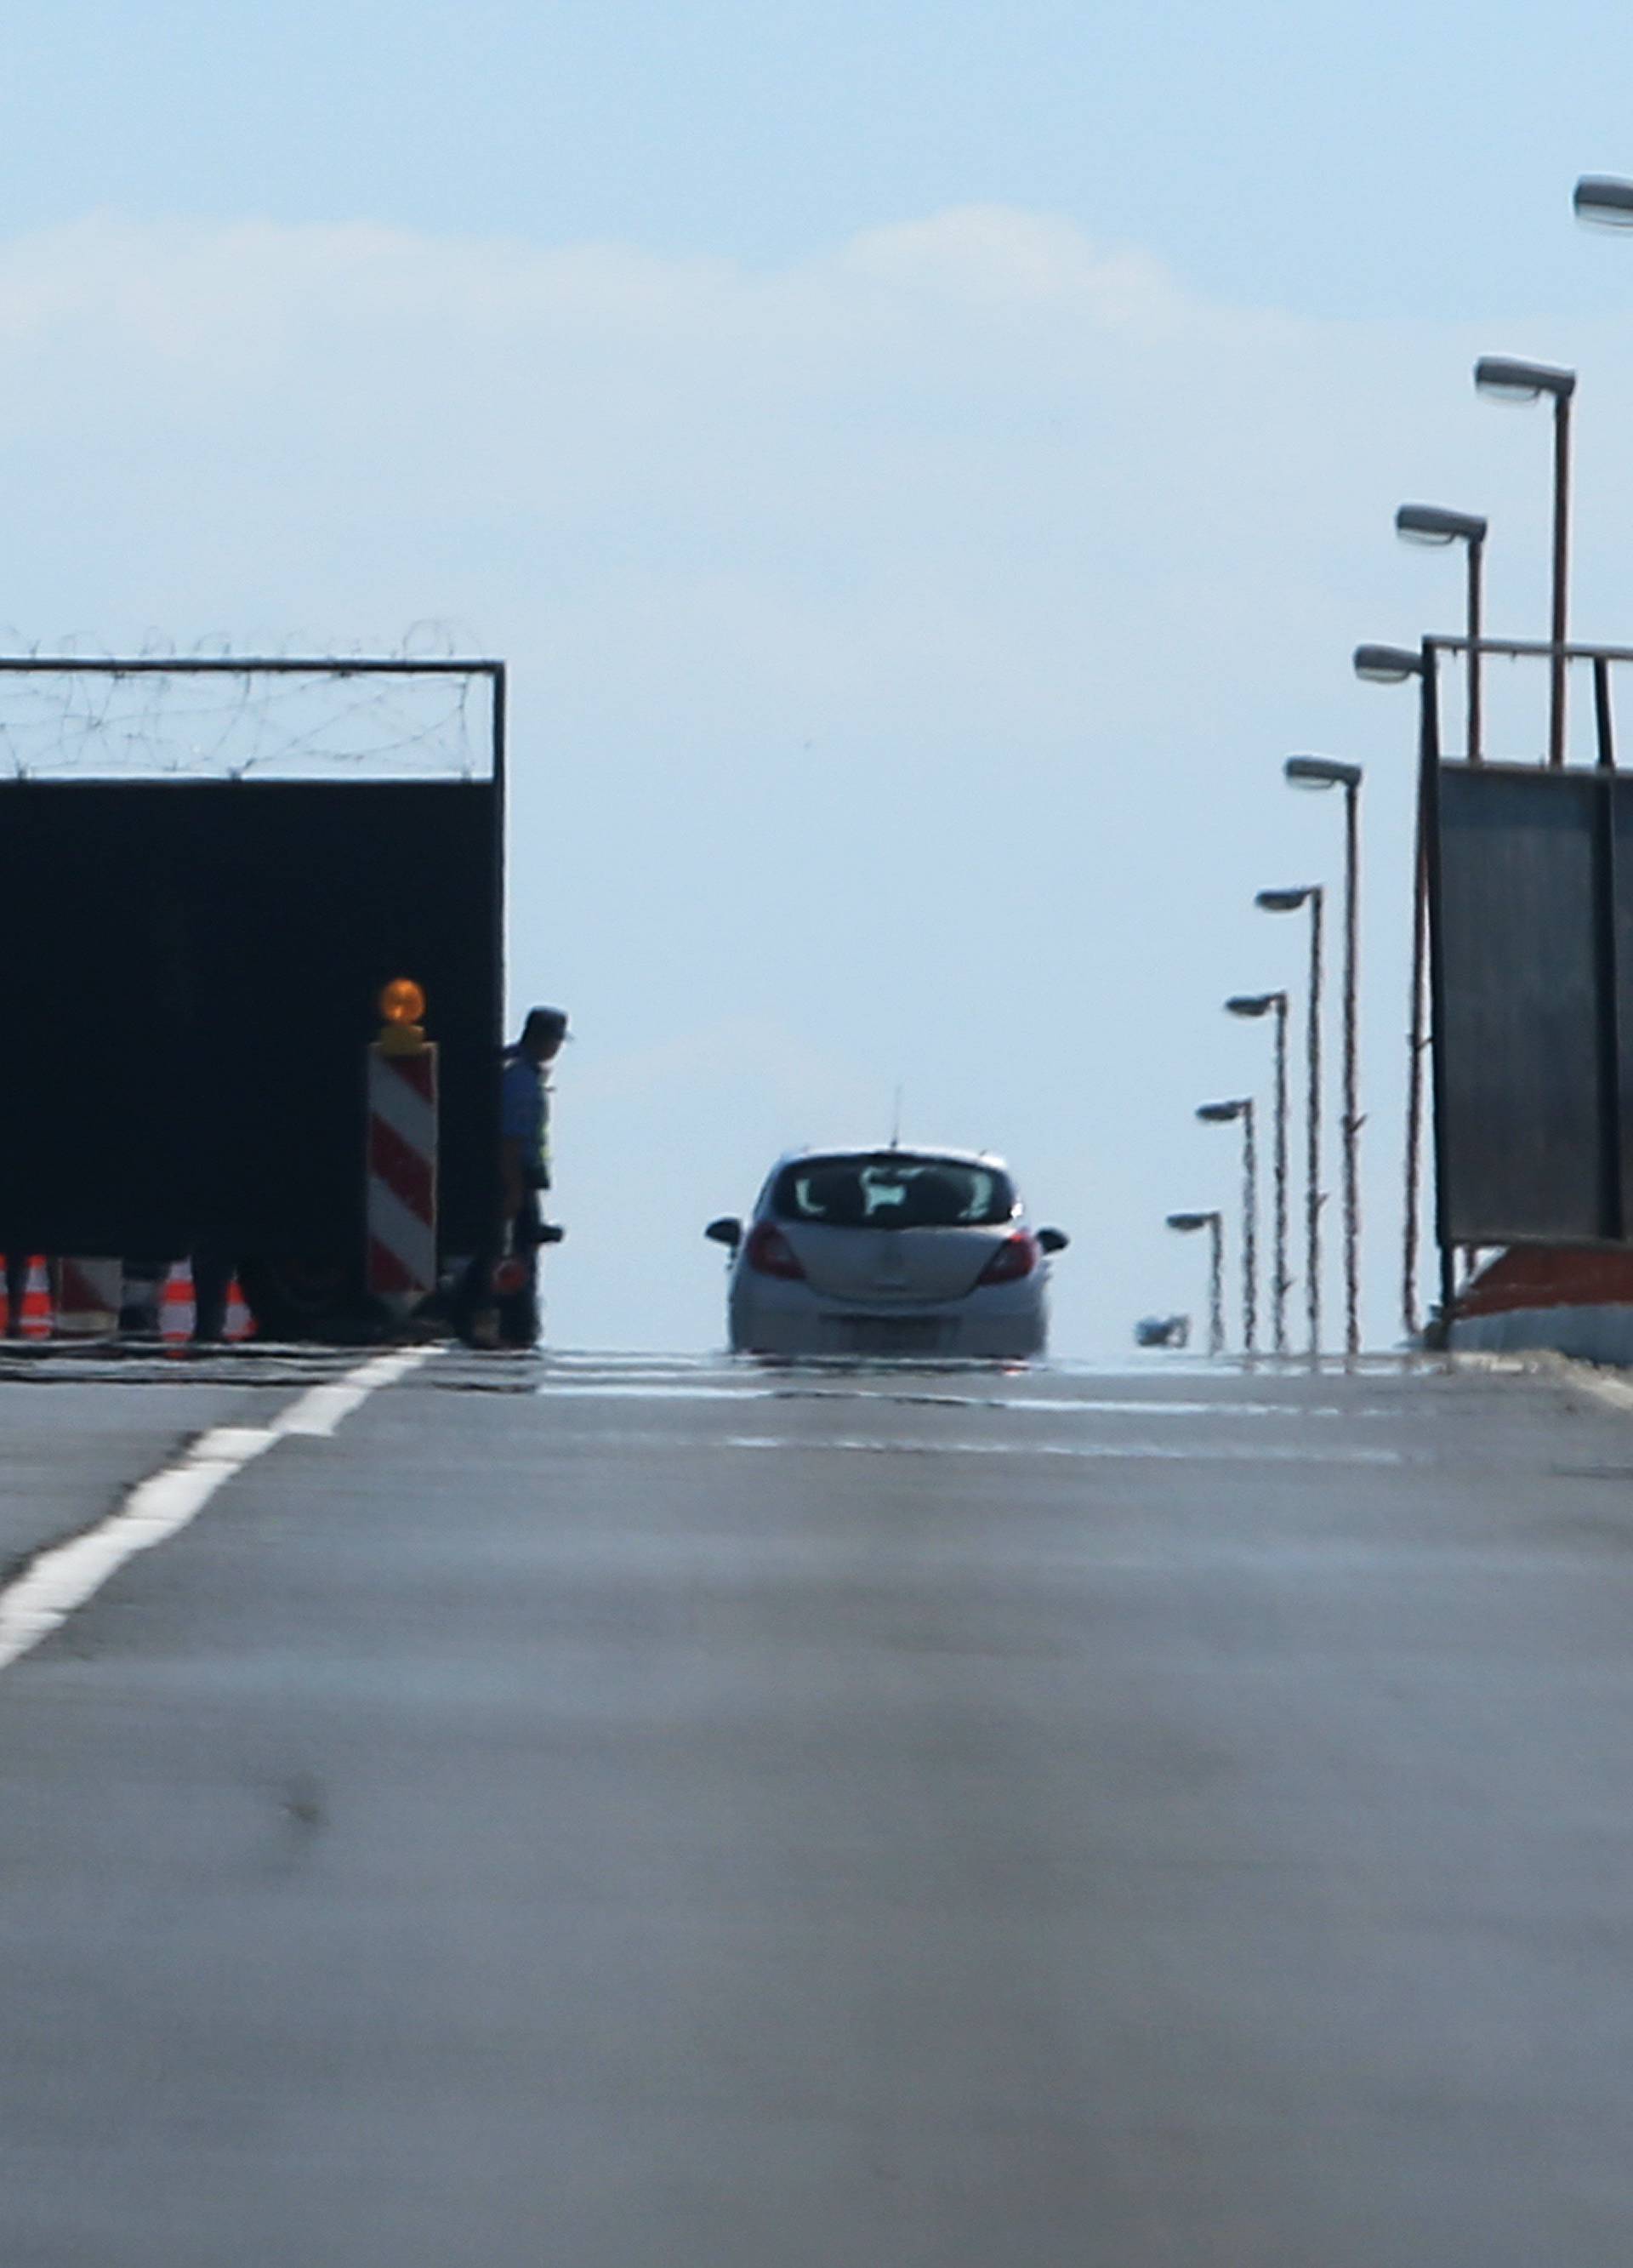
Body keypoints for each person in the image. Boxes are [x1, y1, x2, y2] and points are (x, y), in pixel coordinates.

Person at [494, 1005, 568, 1346]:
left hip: (523, 1178)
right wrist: (512, 1189)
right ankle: (515, 1327)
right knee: (517, 1258)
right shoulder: (521, 1080)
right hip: (517, 1178)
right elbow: (512, 1139)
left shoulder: (518, 1070)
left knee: (519, 1254)